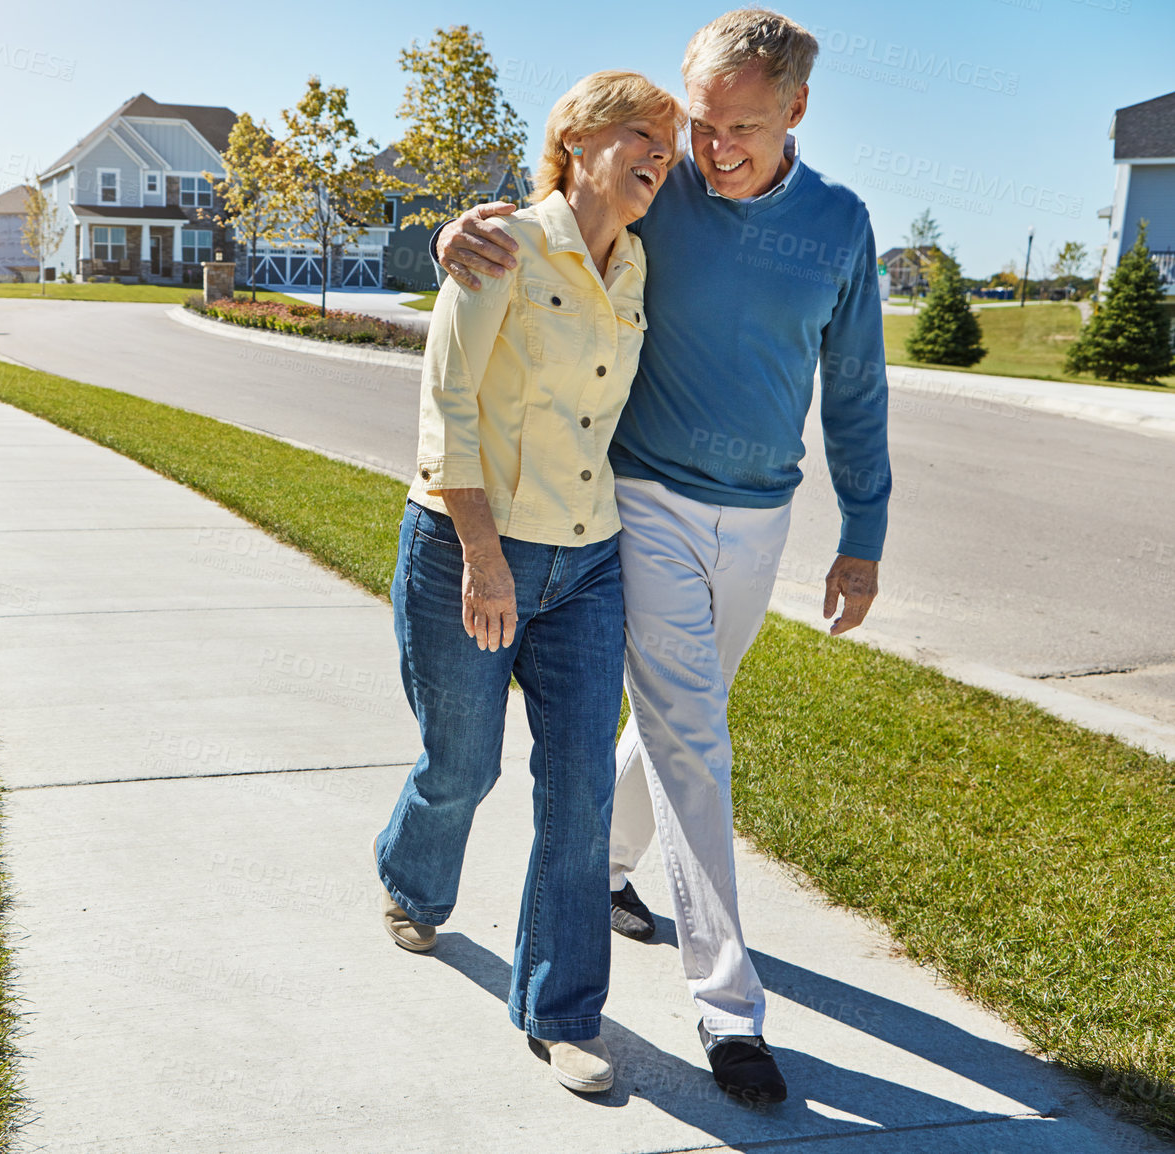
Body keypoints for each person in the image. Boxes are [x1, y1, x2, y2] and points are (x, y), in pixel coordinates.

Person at [433, 8, 891, 1106]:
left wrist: (862, 533)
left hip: (762, 514)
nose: (711, 148)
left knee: (685, 716)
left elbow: (859, 388)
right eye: (699, 122)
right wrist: (454, 235)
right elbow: (540, 218)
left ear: (797, 110)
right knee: (696, 738)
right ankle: (730, 1011)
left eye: (740, 126)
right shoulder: (652, 188)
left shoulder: (839, 223)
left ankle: (604, 867)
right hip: (639, 502)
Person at [375, 70, 684, 1095]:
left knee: (583, 786)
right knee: (463, 766)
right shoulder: (499, 240)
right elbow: (447, 405)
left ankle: (561, 1009)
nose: (662, 156)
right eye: (646, 133)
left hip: (588, 561)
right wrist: (482, 554)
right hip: (472, 546)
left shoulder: (638, 262)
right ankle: (411, 879)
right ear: (578, 137)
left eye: (671, 146)